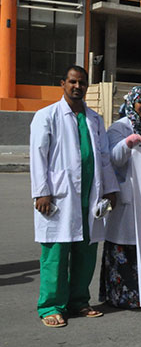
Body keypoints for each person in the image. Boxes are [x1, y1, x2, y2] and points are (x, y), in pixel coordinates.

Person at [30, 66, 120, 327]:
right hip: (60, 196)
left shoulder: (94, 119)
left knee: (85, 252)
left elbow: (104, 156)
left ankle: (79, 301)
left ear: (87, 86)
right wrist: (42, 191)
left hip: (90, 196)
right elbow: (38, 155)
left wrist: (110, 188)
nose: (77, 86)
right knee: (56, 254)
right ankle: (51, 306)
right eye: (72, 82)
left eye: (82, 83)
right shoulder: (47, 115)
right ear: (63, 84)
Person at [101, 86, 141, 308]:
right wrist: (127, 143)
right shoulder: (120, 127)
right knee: (123, 244)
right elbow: (114, 158)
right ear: (132, 103)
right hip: (126, 195)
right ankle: (120, 297)